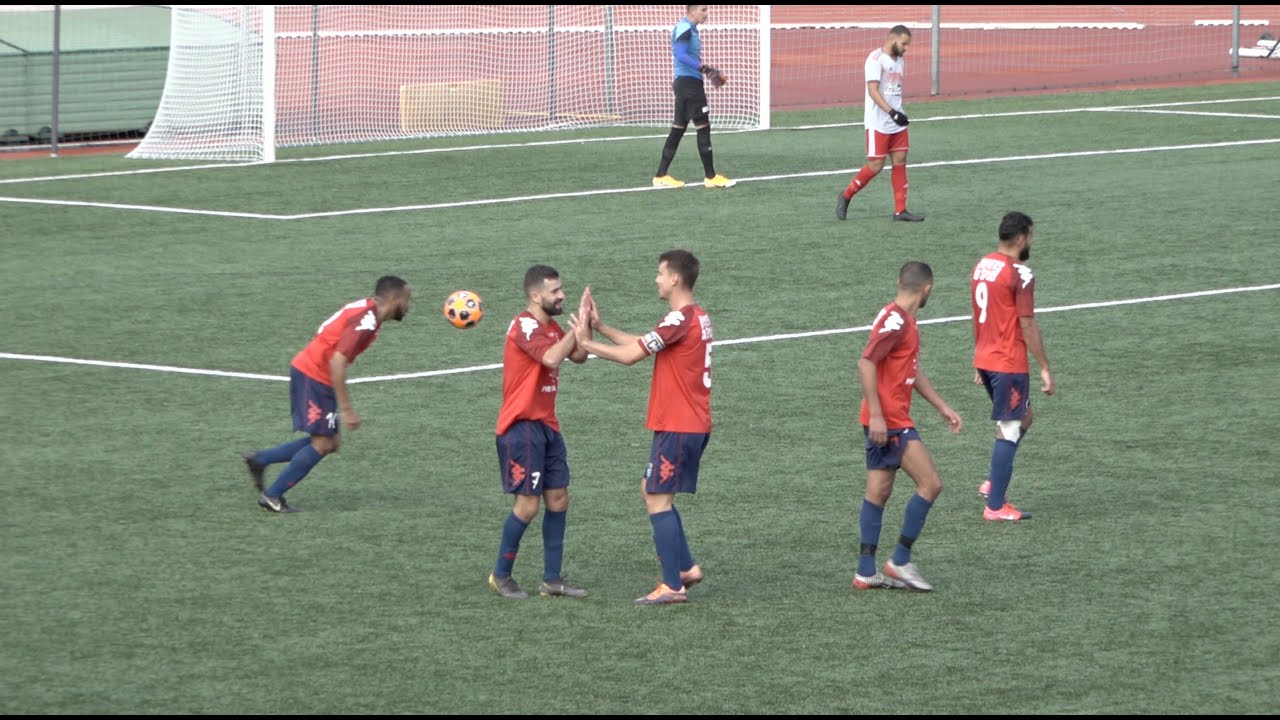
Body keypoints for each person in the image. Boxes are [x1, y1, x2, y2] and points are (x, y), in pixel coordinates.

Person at [572, 250, 710, 605]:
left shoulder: (679, 320)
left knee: (658, 498)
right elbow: (641, 344)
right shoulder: (691, 318)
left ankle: (672, 586)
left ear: (675, 278)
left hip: (679, 424)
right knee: (651, 489)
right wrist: (601, 328)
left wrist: (585, 343)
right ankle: (685, 568)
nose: (656, 279)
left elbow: (631, 356)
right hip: (682, 423)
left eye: (660, 273)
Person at [240, 276, 413, 513]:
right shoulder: (366, 321)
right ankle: (272, 496)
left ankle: (259, 459)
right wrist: (347, 409)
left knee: (331, 442)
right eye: (406, 299)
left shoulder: (369, 312)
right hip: (314, 376)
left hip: (317, 376)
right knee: (322, 443)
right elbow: (337, 362)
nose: (408, 305)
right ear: (393, 299)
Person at [854, 262, 961, 592]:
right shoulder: (897, 322)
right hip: (891, 423)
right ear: (927, 288)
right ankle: (899, 561)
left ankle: (865, 571)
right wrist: (877, 415)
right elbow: (866, 362)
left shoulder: (902, 319)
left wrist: (941, 405)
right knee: (931, 483)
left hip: (886, 420)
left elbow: (911, 370)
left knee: (879, 492)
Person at [488, 265, 591, 600]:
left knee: (559, 500)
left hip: (546, 425)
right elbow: (550, 358)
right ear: (535, 295)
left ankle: (552, 579)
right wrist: (572, 332)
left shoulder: (550, 325)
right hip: (521, 428)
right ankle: (501, 575)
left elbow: (578, 356)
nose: (562, 295)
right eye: (555, 291)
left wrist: (584, 325)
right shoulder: (525, 325)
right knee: (528, 506)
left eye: (562, 289)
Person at [971, 211, 1055, 522]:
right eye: (1030, 236)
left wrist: (978, 357)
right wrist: (1044, 366)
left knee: (1025, 416)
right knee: (1009, 429)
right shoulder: (1020, 274)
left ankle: (993, 481)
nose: (1031, 241)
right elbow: (1028, 324)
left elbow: (980, 313)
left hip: (987, 358)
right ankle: (995, 505)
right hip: (1008, 362)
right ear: (1020, 238)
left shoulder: (983, 265)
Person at [836, 25, 923, 223]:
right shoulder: (875, 59)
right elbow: (873, 91)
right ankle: (846, 195)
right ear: (893, 39)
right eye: (904, 43)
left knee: (900, 161)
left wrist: (899, 114)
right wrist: (892, 113)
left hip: (897, 122)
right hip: (878, 123)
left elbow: (894, 91)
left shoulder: (900, 61)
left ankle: (900, 211)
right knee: (875, 165)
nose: (906, 48)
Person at [652, 4, 736, 190]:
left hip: (686, 84)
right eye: (703, 9)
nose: (707, 13)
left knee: (678, 129)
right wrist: (706, 69)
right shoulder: (684, 27)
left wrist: (706, 71)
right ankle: (711, 177)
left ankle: (661, 176)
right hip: (689, 85)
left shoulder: (690, 29)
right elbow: (680, 54)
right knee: (703, 127)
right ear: (691, 11)